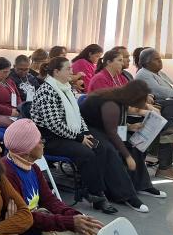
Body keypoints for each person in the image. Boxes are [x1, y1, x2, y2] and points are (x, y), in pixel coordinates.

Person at [31, 57, 143, 214]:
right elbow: (53, 125)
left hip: (70, 134)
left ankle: (100, 188)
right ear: (56, 72)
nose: (72, 72)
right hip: (49, 139)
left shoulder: (65, 87)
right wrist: (79, 138)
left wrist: (85, 133)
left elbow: (78, 116)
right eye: (68, 69)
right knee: (87, 153)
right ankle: (96, 196)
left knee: (101, 147)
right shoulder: (47, 91)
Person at [80, 81, 168, 201]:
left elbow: (116, 123)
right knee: (111, 150)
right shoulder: (111, 104)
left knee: (133, 145)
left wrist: (130, 127)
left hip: (104, 126)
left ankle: (141, 185)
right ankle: (124, 194)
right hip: (88, 128)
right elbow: (112, 132)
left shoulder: (120, 98)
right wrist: (127, 156)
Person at [135, 48, 173, 178]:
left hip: (163, 106)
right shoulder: (143, 74)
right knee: (170, 113)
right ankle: (165, 167)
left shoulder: (160, 74)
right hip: (151, 105)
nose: (160, 62)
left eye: (160, 59)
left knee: (170, 132)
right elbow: (158, 91)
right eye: (157, 59)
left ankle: (167, 165)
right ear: (146, 62)